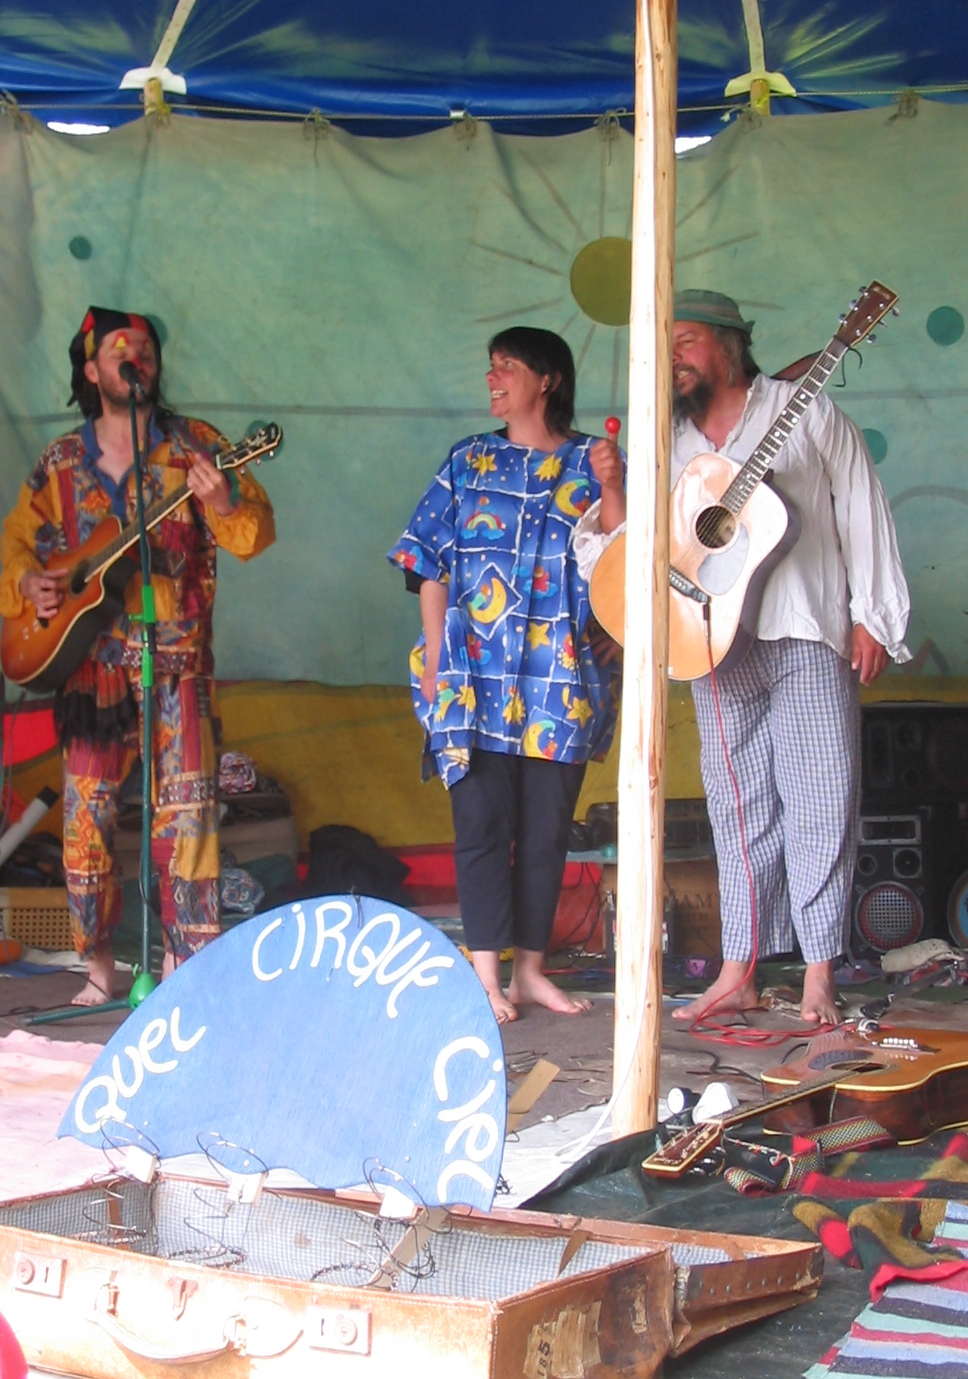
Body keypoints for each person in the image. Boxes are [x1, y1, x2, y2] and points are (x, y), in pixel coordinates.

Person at [573, 290, 910, 1026]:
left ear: (730, 345)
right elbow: (639, 543)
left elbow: (860, 505)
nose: (673, 357)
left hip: (806, 626)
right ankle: (740, 969)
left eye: (686, 340)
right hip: (712, 639)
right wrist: (612, 486)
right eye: (666, 343)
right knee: (736, 806)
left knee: (820, 799)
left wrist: (872, 616)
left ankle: (819, 974)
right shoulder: (667, 437)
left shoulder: (804, 410)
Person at [0, 307, 275, 1005]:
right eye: (119, 351)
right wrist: (30, 582)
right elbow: (18, 548)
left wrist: (224, 498)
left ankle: (188, 963)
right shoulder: (60, 463)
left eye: (145, 350)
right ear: (92, 370)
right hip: (91, 671)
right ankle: (97, 963)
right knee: (85, 825)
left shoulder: (197, 446)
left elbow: (251, 535)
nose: (136, 359)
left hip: (178, 664)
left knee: (189, 818)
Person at [388, 327, 624, 1024]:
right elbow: (428, 561)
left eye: (507, 368)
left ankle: (529, 973)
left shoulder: (591, 461)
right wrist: (436, 656)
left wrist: (614, 483)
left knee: (546, 831)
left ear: (547, 379)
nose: (493, 379)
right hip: (472, 675)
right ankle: (485, 976)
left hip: (560, 678)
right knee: (482, 825)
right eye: (491, 368)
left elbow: (624, 556)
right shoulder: (469, 460)